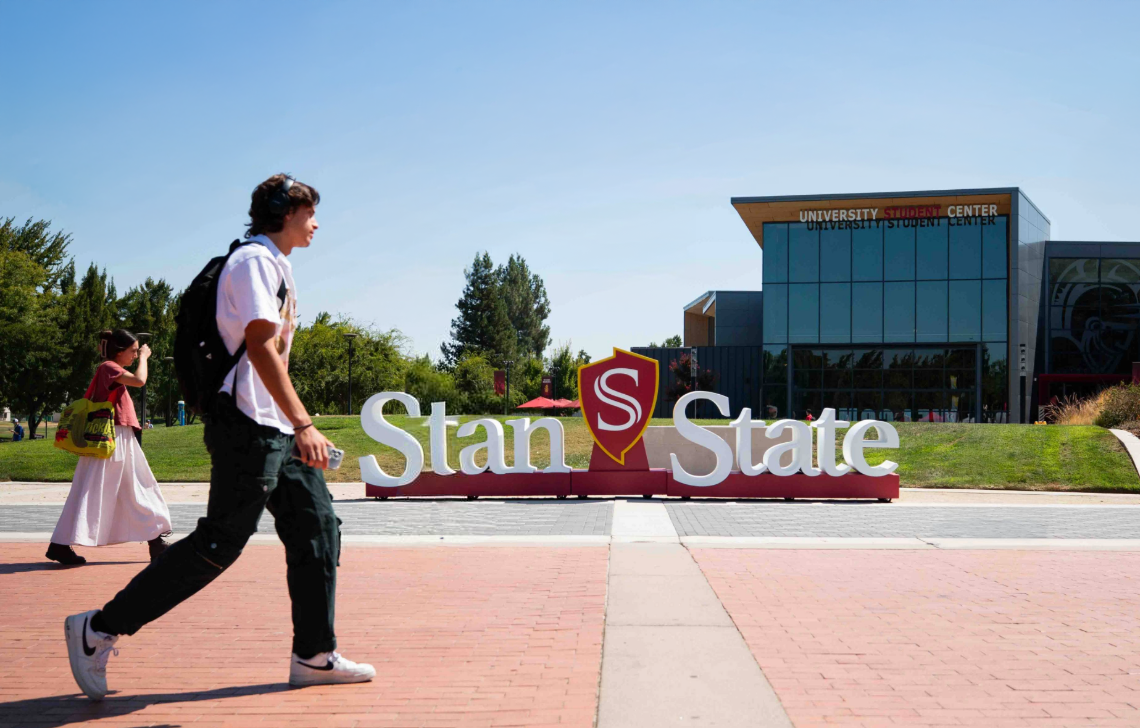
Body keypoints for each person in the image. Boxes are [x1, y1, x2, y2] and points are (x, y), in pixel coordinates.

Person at [64, 174, 373, 701]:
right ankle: (98, 630)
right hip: (247, 427)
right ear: (284, 212)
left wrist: (293, 424)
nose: (317, 222)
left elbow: (275, 357)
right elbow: (259, 347)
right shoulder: (254, 261)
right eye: (310, 212)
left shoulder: (278, 266)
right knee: (219, 543)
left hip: (273, 424)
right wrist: (304, 423)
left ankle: (315, 655)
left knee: (318, 527)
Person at [47, 331, 172, 566]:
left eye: (137, 351)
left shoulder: (109, 367)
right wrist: (145, 357)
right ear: (119, 351)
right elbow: (139, 380)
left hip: (114, 438)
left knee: (125, 488)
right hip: (110, 439)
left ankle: (155, 541)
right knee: (123, 488)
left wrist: (141, 355)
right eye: (133, 351)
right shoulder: (108, 367)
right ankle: (155, 542)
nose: (135, 354)